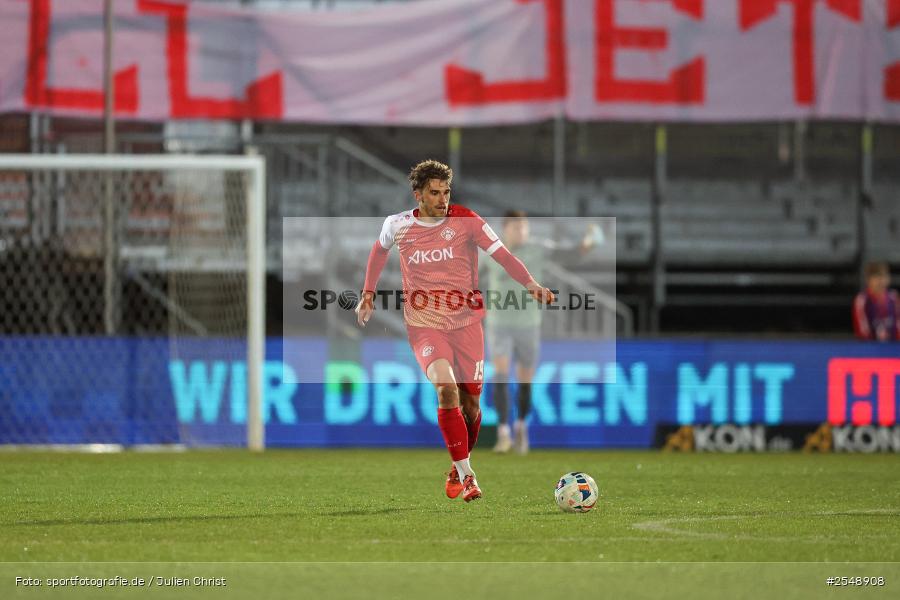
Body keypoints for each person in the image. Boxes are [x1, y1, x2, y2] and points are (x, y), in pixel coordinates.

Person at [355, 160, 554, 503]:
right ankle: (468, 476)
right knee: (446, 391)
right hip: (425, 325)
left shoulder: (467, 221)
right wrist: (368, 293)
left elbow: (503, 255)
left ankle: (456, 466)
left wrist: (531, 284)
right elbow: (378, 250)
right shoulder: (397, 224)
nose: (442, 199)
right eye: (434, 193)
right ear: (418, 195)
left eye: (446, 192)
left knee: (472, 407)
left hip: (467, 325)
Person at [486, 211, 598, 454]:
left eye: (524, 227)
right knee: (501, 375)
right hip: (499, 324)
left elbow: (570, 254)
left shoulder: (538, 249)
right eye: (517, 228)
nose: (522, 232)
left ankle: (521, 427)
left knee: (525, 379)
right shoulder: (491, 252)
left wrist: (590, 241)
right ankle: (503, 432)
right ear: (505, 229)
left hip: (528, 324)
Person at [853, 261, 900, 341]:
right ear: (868, 280)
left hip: (894, 345)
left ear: (888, 278)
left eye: (883, 276)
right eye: (876, 277)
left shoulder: (894, 298)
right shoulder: (862, 300)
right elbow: (862, 331)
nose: (881, 281)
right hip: (869, 345)